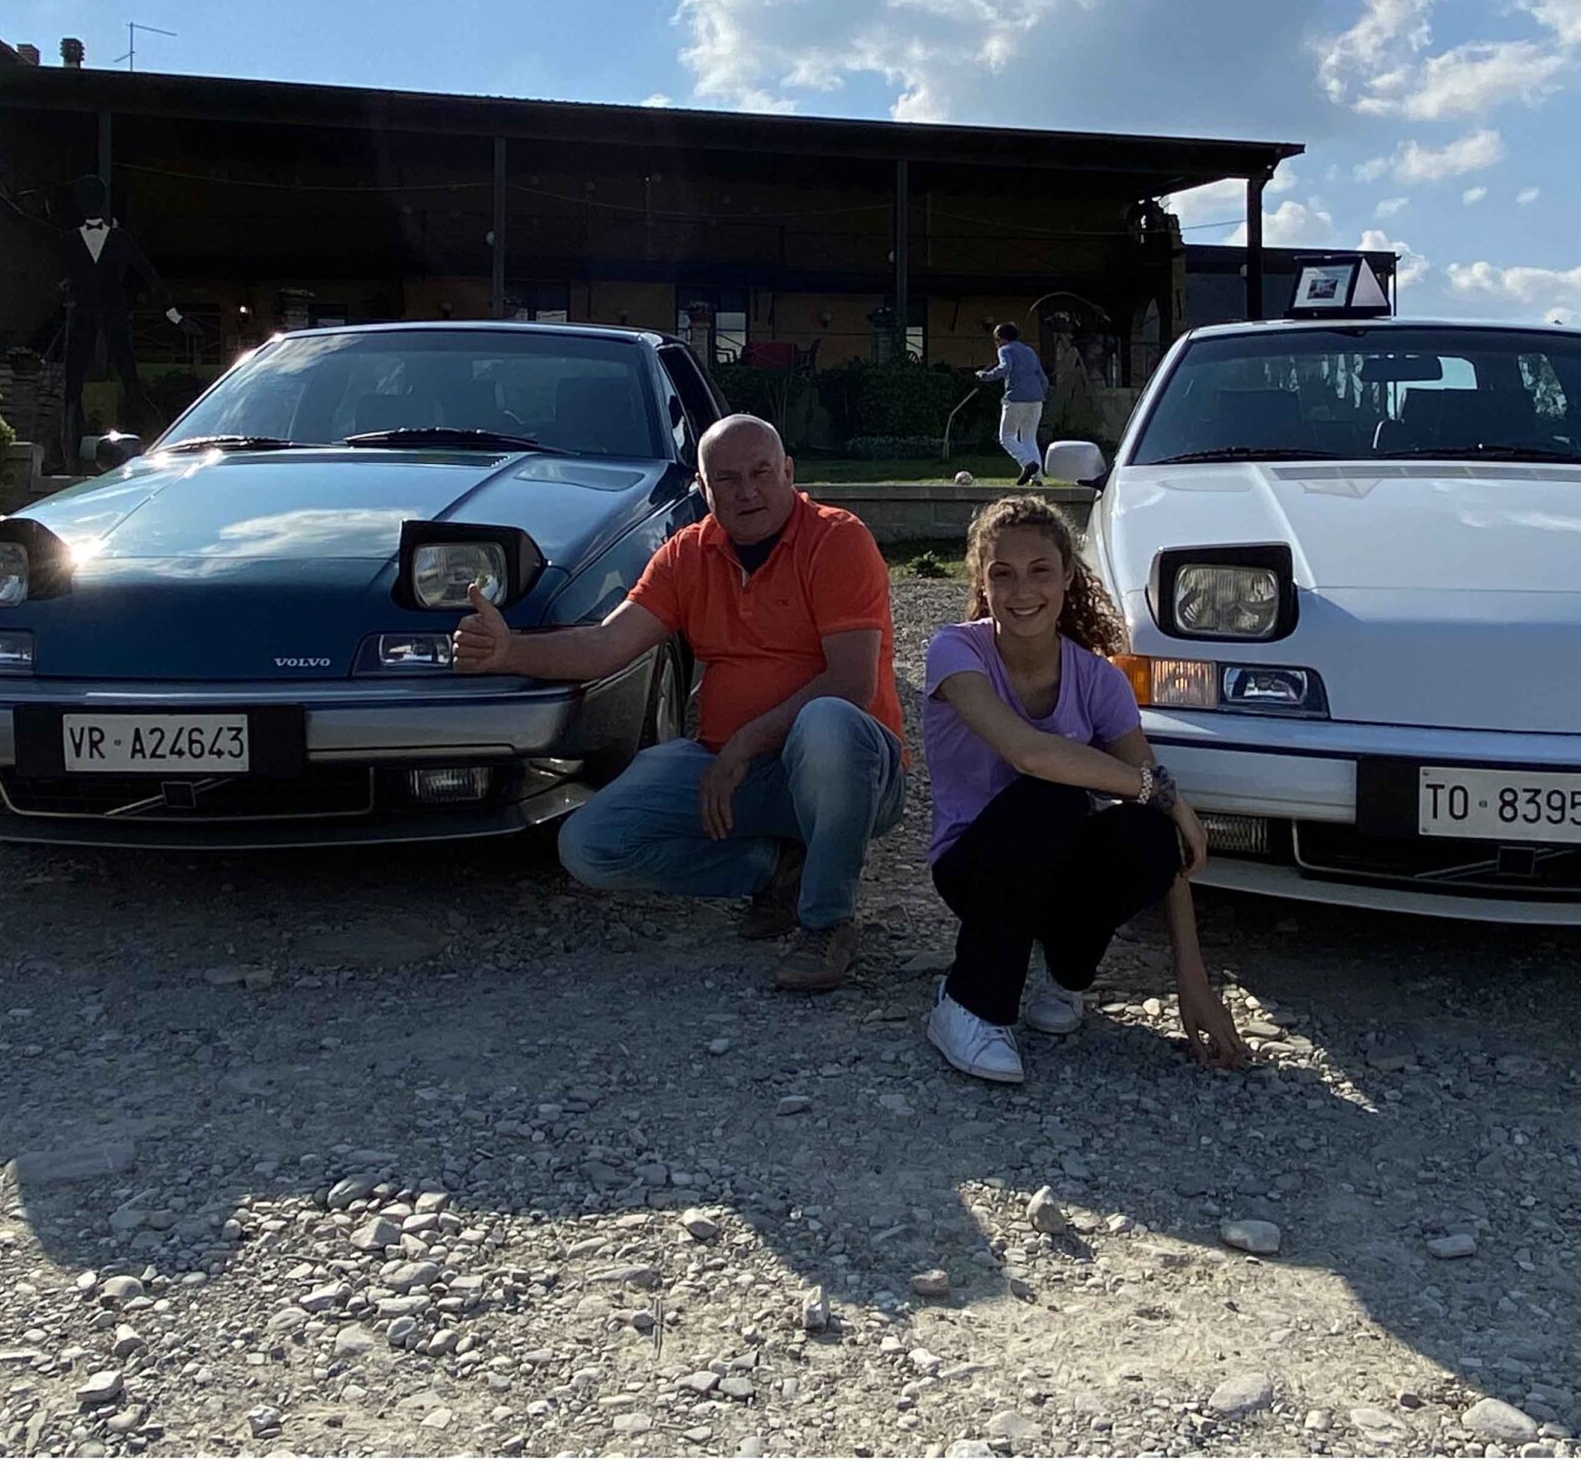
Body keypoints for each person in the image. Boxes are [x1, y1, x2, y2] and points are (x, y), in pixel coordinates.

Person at [453, 414, 902, 992]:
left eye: (762, 473)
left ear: (789, 472)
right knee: (590, 846)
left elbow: (851, 683)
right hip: (731, 770)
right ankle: (776, 871)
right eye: (728, 479)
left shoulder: (838, 539)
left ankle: (828, 922)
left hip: (850, 774)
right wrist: (507, 650)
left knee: (829, 722)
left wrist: (745, 743)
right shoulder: (687, 552)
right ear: (702, 488)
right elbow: (604, 645)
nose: (747, 492)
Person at [920, 495, 1247, 1083]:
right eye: (1003, 574)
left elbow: (1162, 830)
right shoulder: (955, 652)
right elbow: (1028, 753)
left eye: (1040, 570)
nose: (1023, 590)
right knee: (1055, 794)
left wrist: (1193, 982)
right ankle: (970, 1004)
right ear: (981, 582)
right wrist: (1166, 794)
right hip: (973, 867)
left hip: (1056, 879)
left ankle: (1065, 977)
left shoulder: (1099, 679)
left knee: (1148, 832)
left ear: (1068, 575)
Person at [976, 322, 1049, 485]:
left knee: (1007, 436)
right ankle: (1037, 478)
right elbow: (1042, 377)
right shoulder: (1029, 351)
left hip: (1015, 398)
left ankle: (1028, 463)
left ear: (1001, 339)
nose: (996, 344)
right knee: (1029, 438)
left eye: (996, 340)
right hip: (1036, 399)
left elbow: (1005, 368)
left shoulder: (1005, 350)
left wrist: (985, 376)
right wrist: (1041, 393)